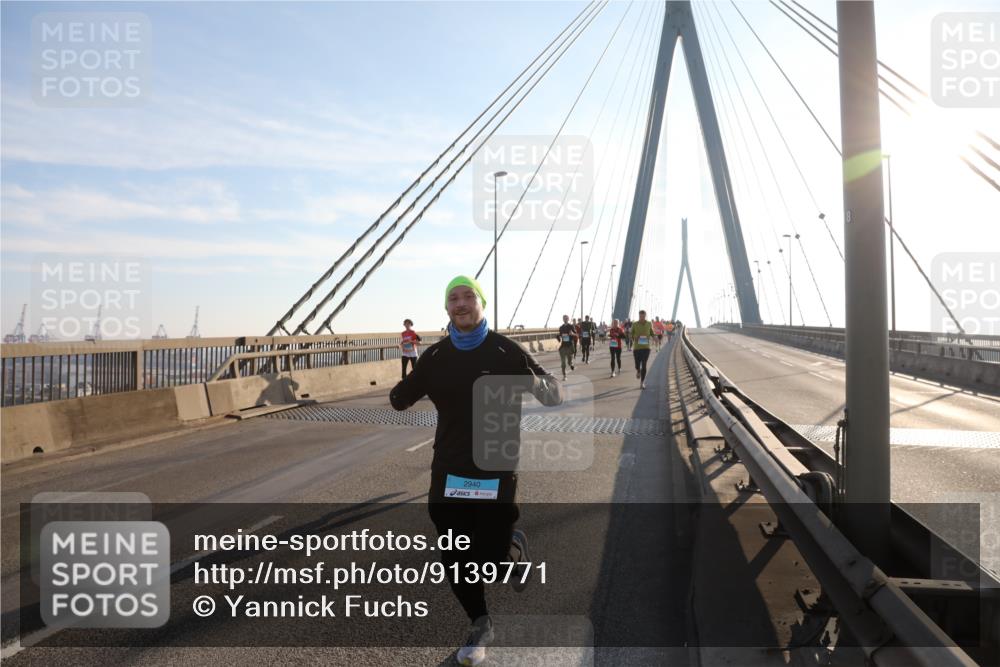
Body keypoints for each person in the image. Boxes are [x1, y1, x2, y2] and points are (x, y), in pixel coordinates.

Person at [390, 275, 562, 667]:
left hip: (495, 468)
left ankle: (509, 551)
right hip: (449, 469)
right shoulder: (435, 356)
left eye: (469, 296)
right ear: (446, 308)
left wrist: (533, 382)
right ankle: (480, 623)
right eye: (454, 298)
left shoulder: (506, 350)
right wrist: (400, 394)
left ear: (482, 304)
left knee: (491, 558)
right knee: (454, 553)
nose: (461, 303)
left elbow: (554, 393)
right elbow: (402, 397)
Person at [631, 310, 654, 389]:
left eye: (643, 316)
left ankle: (642, 382)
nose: (642, 318)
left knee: (644, 364)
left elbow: (651, 332)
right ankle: (638, 370)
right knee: (637, 365)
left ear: (645, 316)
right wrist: (634, 337)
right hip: (637, 348)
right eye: (640, 316)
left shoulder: (649, 323)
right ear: (639, 316)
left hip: (646, 348)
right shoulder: (635, 324)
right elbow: (631, 334)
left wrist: (654, 337)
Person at [556, 314, 577, 380]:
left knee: (569, 362)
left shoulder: (571, 326)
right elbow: (560, 337)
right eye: (564, 318)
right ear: (563, 319)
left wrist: (572, 334)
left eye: (566, 318)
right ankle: (564, 376)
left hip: (569, 346)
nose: (565, 319)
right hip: (563, 347)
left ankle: (571, 364)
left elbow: (576, 334)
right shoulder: (561, 327)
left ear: (568, 319)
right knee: (563, 363)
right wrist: (558, 337)